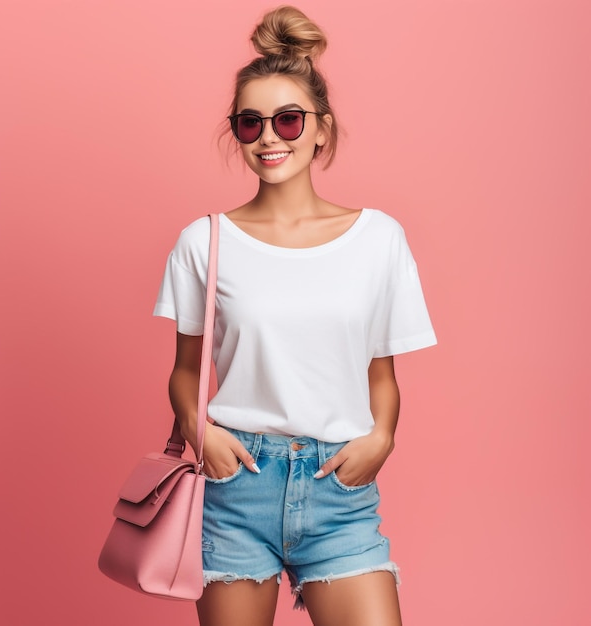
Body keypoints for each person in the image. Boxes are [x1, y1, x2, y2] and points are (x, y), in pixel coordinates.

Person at [153, 6, 436, 626]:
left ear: (321, 131)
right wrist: (201, 432)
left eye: (287, 119)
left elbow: (380, 372)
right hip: (236, 486)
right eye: (250, 123)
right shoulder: (205, 242)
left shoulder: (377, 238)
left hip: (339, 491)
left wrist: (382, 438)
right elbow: (184, 372)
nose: (270, 136)